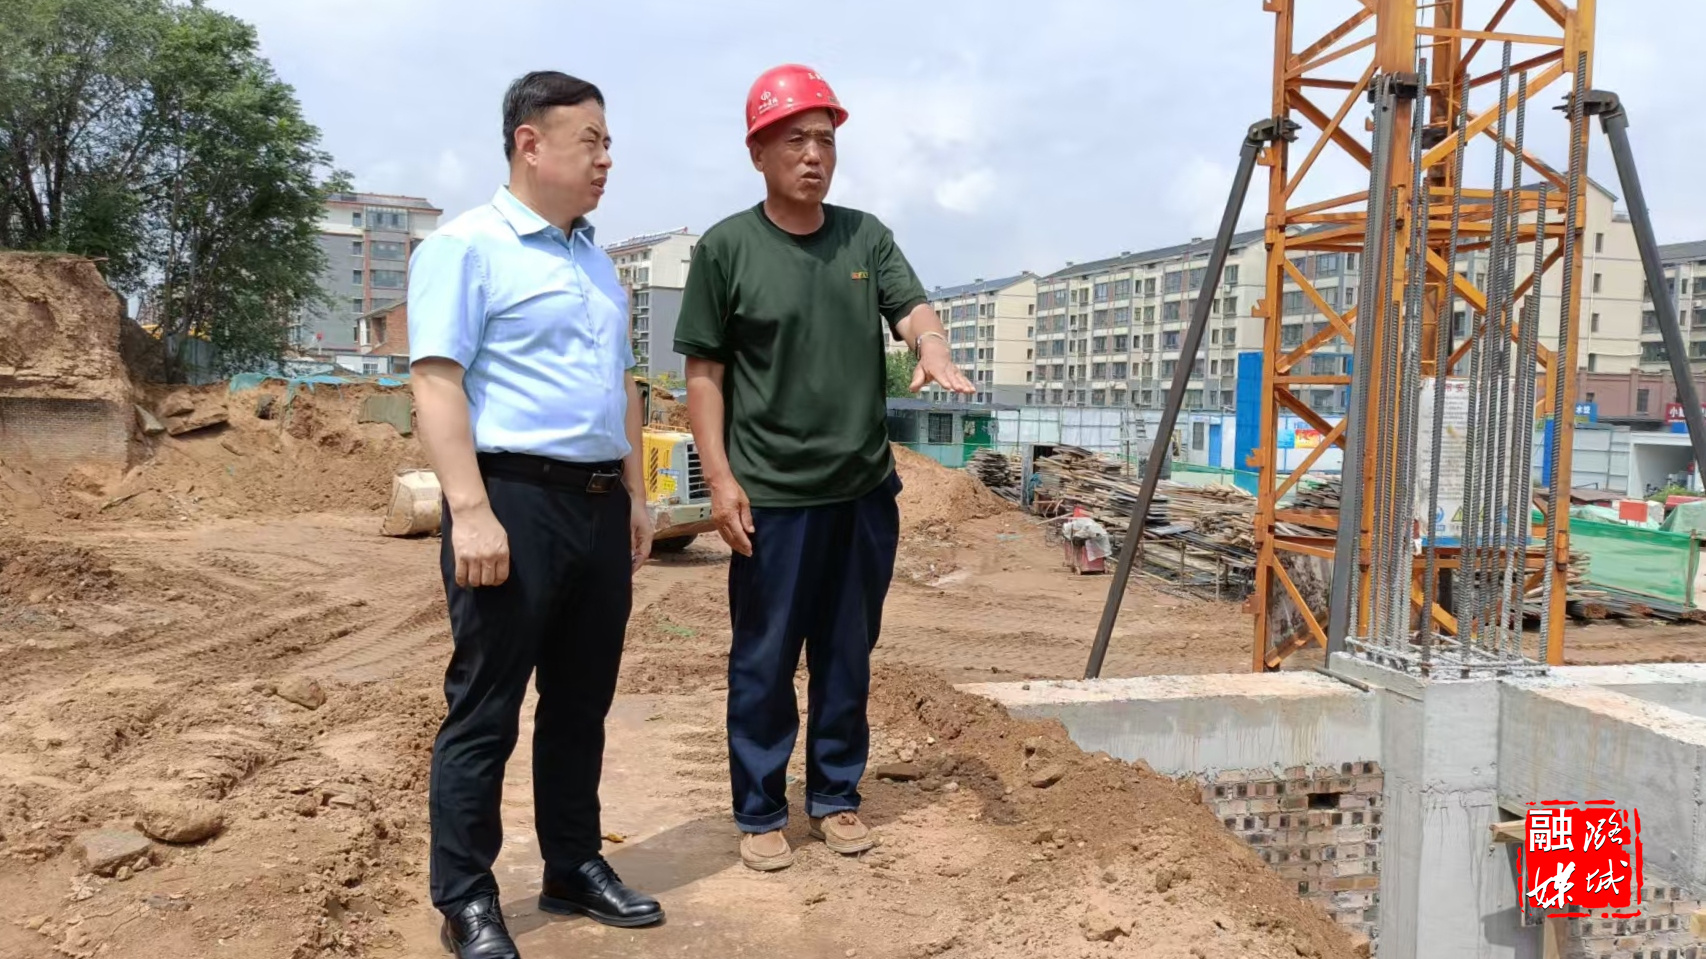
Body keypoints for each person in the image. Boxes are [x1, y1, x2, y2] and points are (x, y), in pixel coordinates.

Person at [675, 63, 975, 872]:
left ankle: (836, 795)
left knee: (847, 654)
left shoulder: (863, 237)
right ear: (758, 152)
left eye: (825, 140)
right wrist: (720, 480)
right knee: (765, 659)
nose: (814, 155)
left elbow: (911, 307)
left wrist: (931, 344)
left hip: (861, 494)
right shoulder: (727, 249)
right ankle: (760, 809)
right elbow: (704, 375)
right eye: (795, 140)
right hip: (771, 497)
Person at [408, 70, 662, 959]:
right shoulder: (466, 247)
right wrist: (470, 509)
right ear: (529, 143)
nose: (606, 159)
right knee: (485, 706)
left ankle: (573, 862)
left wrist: (636, 495)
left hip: (597, 504)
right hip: (512, 499)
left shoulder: (596, 262)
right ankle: (467, 897)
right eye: (590, 140)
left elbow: (622, 385)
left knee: (582, 701)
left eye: (608, 142)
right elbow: (436, 380)